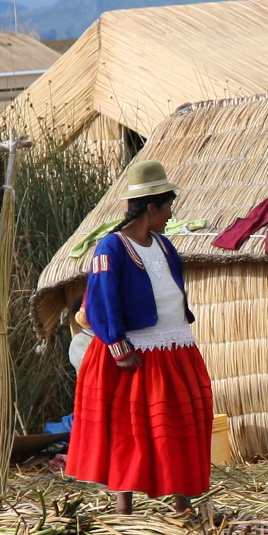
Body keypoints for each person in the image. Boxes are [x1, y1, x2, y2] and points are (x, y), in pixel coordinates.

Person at [65, 160, 214, 515]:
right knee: (131, 432)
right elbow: (100, 300)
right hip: (134, 354)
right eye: (167, 208)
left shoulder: (164, 245)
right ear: (151, 207)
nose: (169, 215)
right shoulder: (111, 248)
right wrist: (119, 347)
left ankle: (183, 504)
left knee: (180, 426)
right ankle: (124, 510)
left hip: (174, 347)